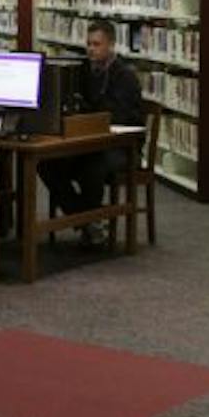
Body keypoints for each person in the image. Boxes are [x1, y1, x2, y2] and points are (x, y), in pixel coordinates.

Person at [39, 18, 142, 248]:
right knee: (47, 164)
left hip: (121, 145)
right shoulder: (83, 71)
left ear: (111, 45)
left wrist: (90, 114)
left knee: (91, 167)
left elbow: (121, 116)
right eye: (88, 44)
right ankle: (88, 221)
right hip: (87, 141)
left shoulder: (124, 75)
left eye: (97, 44)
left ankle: (88, 223)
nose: (91, 49)